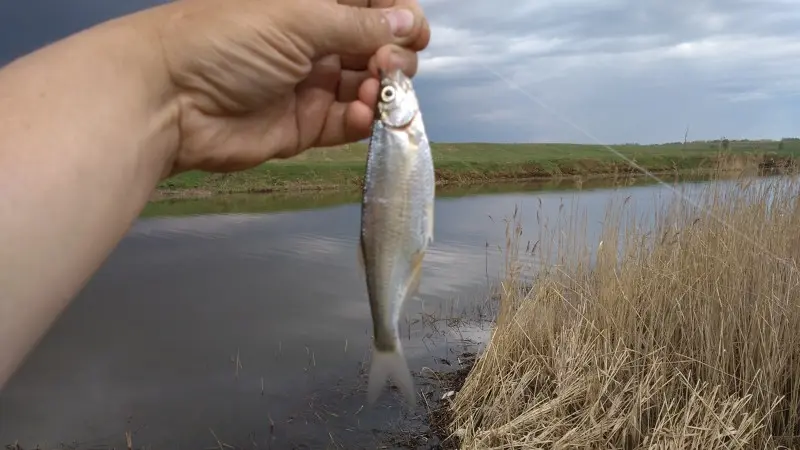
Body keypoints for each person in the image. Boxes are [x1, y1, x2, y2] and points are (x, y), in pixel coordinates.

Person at [0, 0, 430, 390]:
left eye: (387, 94)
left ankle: (385, 337)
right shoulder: (397, 129)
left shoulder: (392, 130)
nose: (389, 92)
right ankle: (386, 340)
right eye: (387, 94)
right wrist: (173, 87)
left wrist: (175, 92)